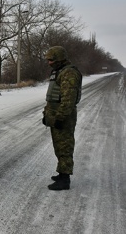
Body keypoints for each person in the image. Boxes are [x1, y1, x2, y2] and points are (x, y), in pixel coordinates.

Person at [42, 46, 83, 190]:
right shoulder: (59, 71)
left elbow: (68, 99)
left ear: (60, 58)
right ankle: (62, 172)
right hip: (56, 114)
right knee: (58, 146)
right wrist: (47, 114)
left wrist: (60, 117)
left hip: (64, 115)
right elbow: (53, 97)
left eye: (51, 60)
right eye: (48, 60)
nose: (49, 63)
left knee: (65, 146)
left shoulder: (69, 73)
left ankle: (65, 179)